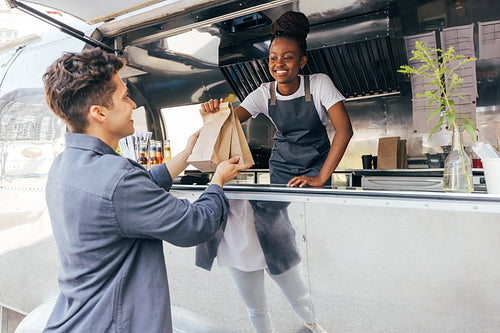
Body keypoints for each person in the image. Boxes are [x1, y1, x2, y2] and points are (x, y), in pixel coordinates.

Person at [41, 47, 251, 332]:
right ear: (99, 112)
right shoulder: (118, 178)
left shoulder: (64, 165)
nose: (134, 105)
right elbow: (194, 225)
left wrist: (186, 155)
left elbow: (129, 196)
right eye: (125, 96)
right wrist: (218, 181)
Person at [198, 11, 353, 333]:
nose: (279, 63)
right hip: (281, 174)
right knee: (280, 235)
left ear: (302, 61)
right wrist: (213, 114)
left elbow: (344, 130)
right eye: (272, 58)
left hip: (315, 172)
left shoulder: (319, 84)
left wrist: (321, 178)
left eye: (288, 57)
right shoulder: (262, 93)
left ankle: (317, 318)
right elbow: (228, 124)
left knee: (314, 246)